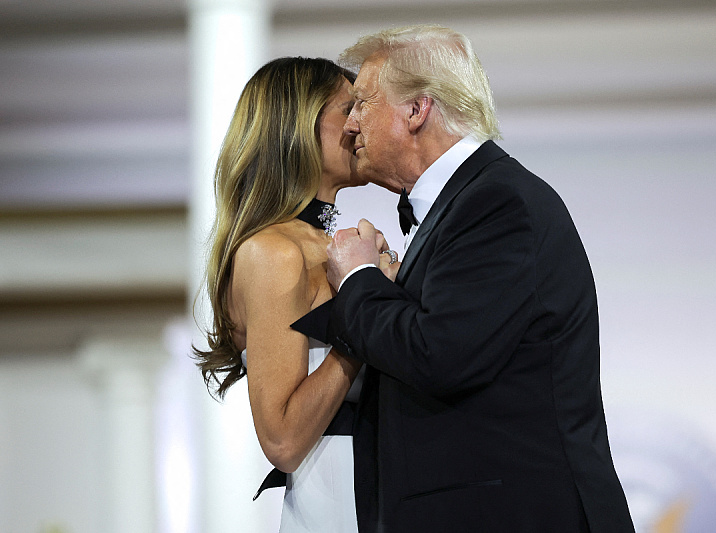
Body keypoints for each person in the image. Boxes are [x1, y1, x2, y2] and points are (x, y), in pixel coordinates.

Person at [296, 25, 635, 532]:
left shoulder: (496, 203)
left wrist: (359, 277)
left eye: (363, 103)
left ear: (417, 109)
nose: (351, 125)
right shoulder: (467, 203)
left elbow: (439, 353)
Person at [193, 57, 393, 532]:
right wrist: (363, 315)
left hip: (383, 490)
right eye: (350, 108)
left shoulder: (326, 247)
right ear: (297, 124)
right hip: (338, 502)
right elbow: (282, 440)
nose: (360, 123)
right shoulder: (272, 253)